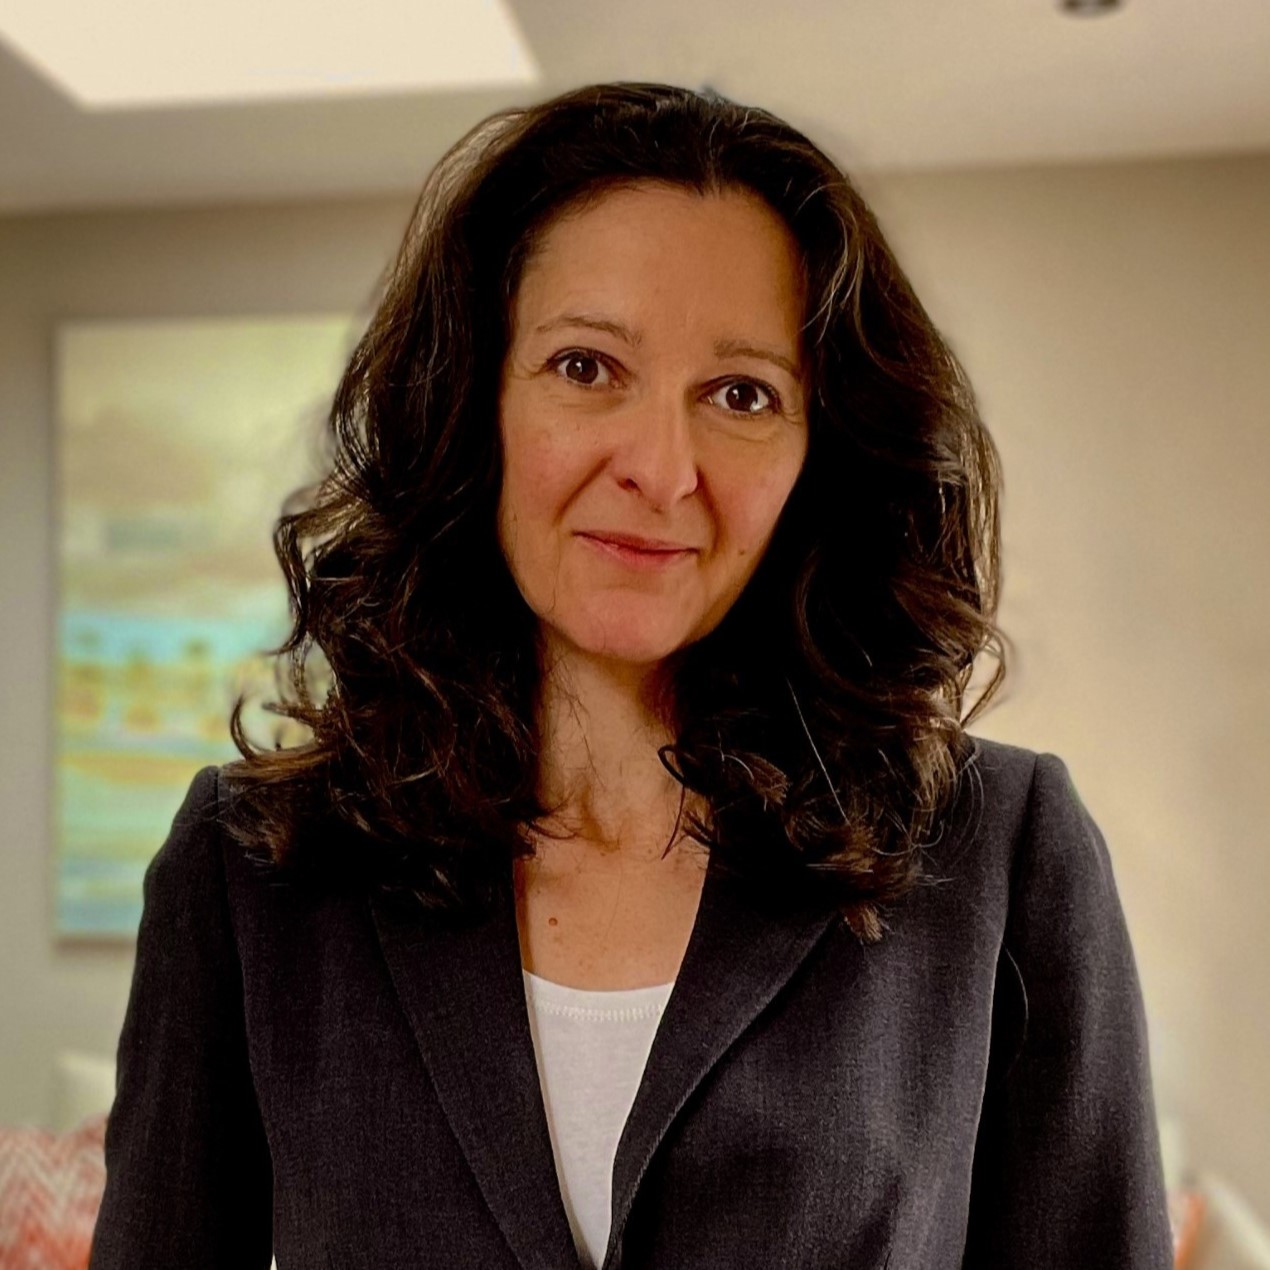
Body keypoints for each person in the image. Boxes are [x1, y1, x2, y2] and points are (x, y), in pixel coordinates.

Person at [88, 82, 1174, 1269]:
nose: (660, 467)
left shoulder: (1005, 855)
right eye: (585, 366)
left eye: (742, 394)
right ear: (473, 402)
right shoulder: (253, 871)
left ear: (819, 451)